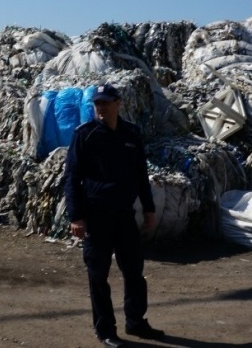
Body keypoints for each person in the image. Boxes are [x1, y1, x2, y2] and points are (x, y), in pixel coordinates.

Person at [63, 83, 165, 347]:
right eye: (98, 103)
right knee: (98, 276)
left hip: (124, 215)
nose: (101, 108)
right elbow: (72, 178)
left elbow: (141, 175)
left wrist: (149, 208)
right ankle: (106, 330)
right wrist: (75, 217)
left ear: (118, 103)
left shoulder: (131, 133)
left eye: (106, 103)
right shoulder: (85, 135)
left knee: (134, 272)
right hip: (96, 217)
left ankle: (136, 322)